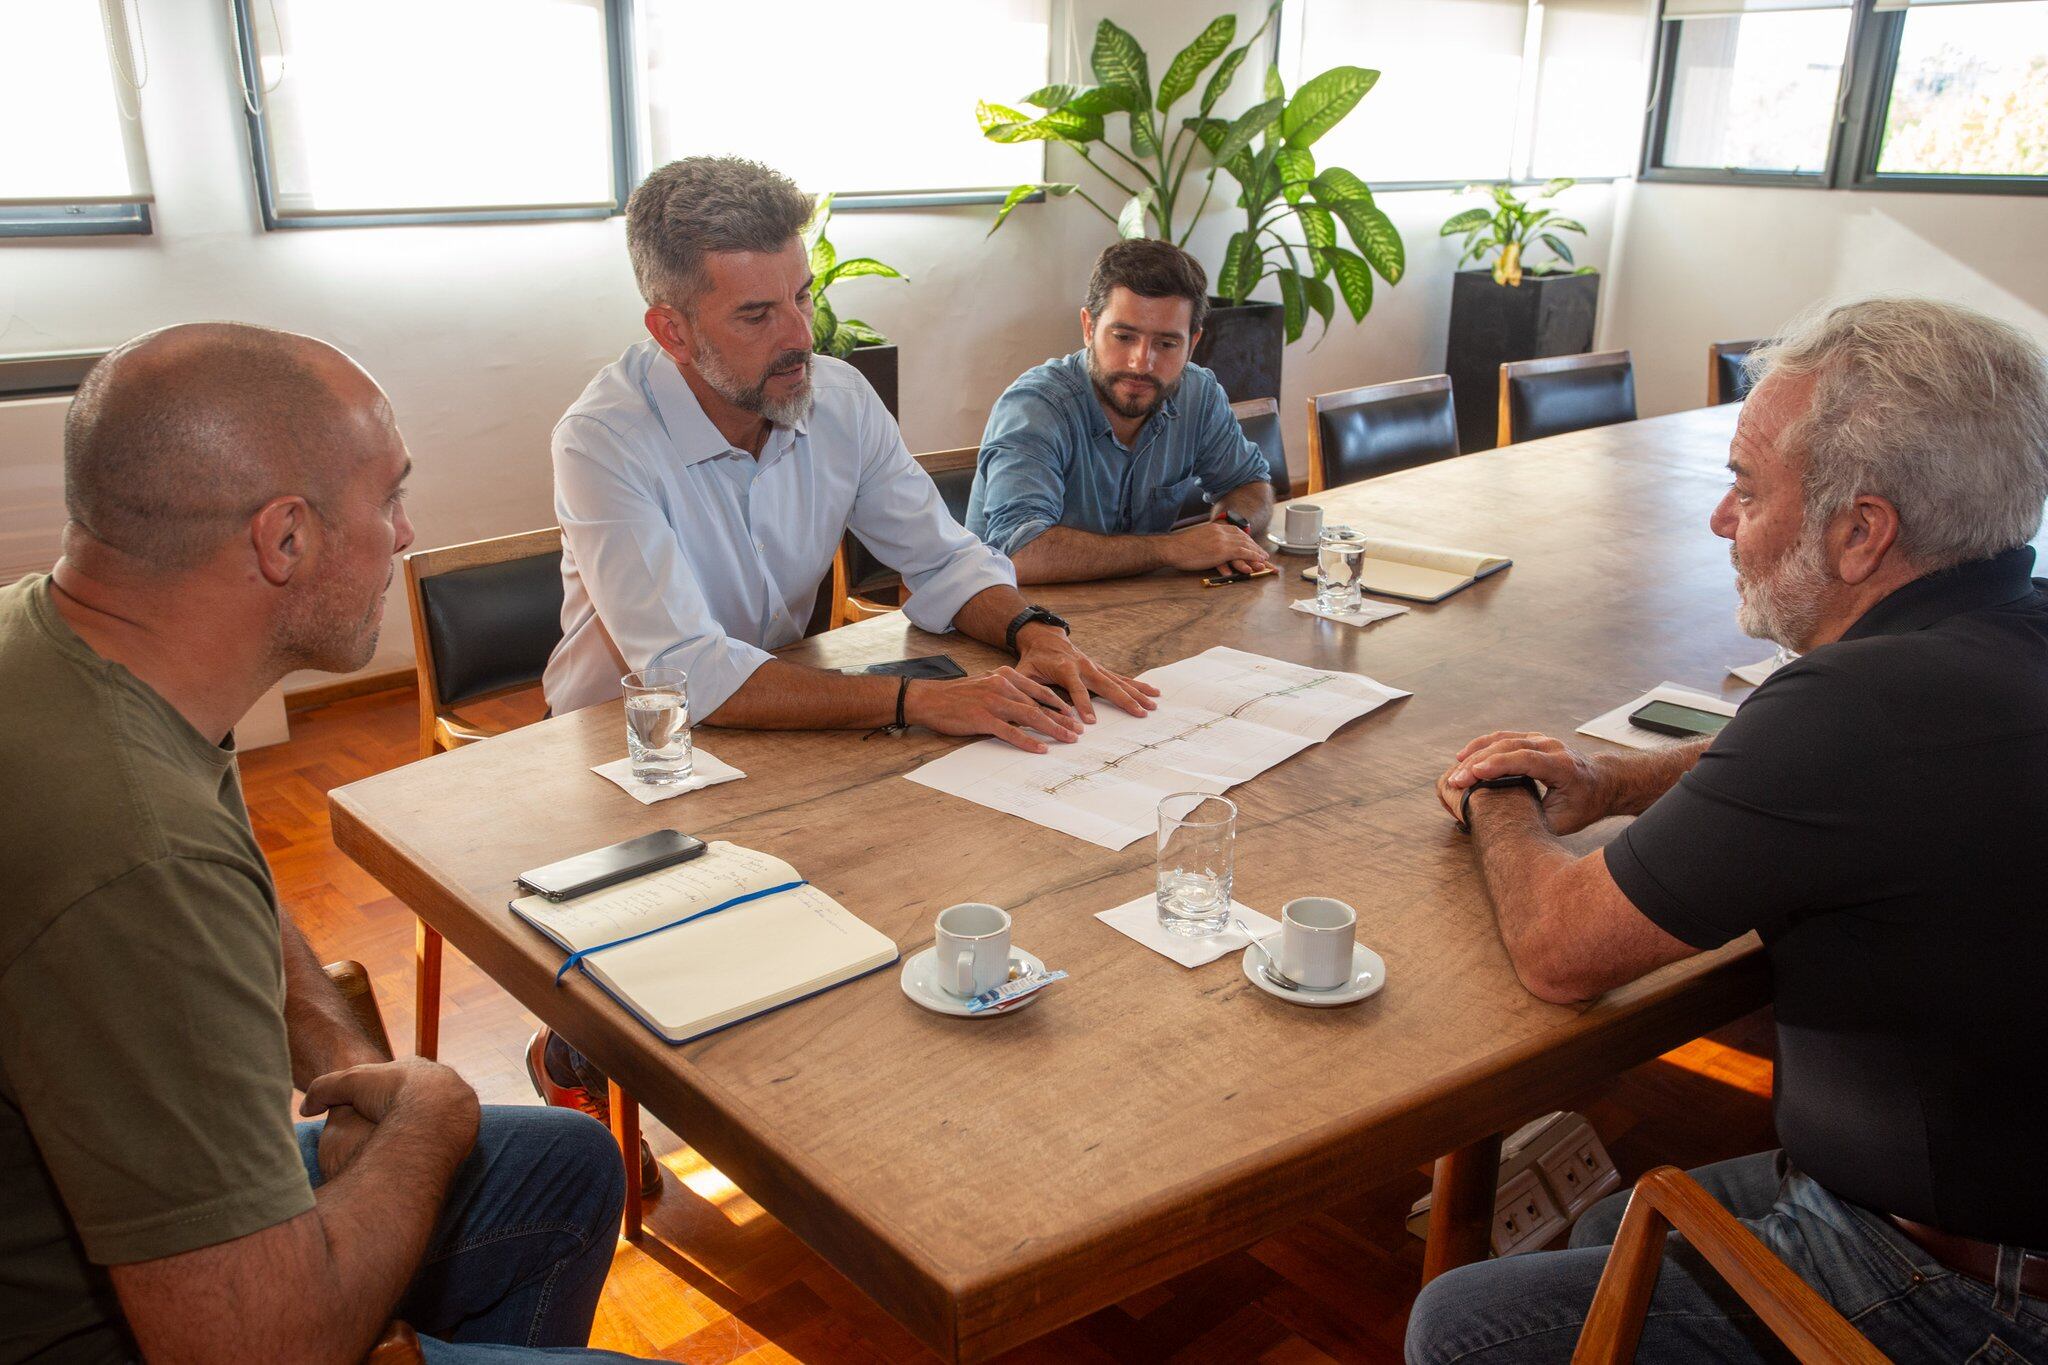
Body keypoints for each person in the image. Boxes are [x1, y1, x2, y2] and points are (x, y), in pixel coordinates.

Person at [1405, 297, 2048, 1363]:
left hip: (1966, 1297)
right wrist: (1606, 782)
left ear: (1858, 533)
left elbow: (1561, 948)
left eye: (1745, 491)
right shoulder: (1997, 637)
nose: (1719, 521)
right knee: (1615, 1231)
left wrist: (1495, 798)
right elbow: (1802, 769)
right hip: (1997, 1207)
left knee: (1468, 1328)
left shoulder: (1854, 710)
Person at [0, 323, 643, 1363]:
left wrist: (344, 1060)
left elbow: (232, 880)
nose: (404, 534)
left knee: (568, 1165)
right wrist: (427, 1108)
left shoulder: (76, 650)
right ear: (284, 538)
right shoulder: (131, 855)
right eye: (388, 496)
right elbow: (260, 1350)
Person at [535, 155, 1160, 1175]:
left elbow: (942, 557)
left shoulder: (833, 399)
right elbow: (683, 673)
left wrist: (1032, 628)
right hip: (624, 747)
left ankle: (827, 1129)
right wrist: (919, 704)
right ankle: (576, 1049)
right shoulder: (602, 438)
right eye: (755, 315)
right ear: (669, 328)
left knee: (884, 900)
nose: (799, 337)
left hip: (776, 713)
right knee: (691, 974)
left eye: (803, 295)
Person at [966, 238, 1276, 585]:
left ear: (1193, 344)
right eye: (1124, 337)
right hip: (1020, 620)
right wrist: (1170, 549)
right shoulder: (1035, 408)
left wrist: (1229, 531)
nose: (1141, 362)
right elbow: (1019, 554)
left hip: (1139, 612)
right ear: (1088, 328)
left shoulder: (1198, 394)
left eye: (1166, 343)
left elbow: (1248, 483)